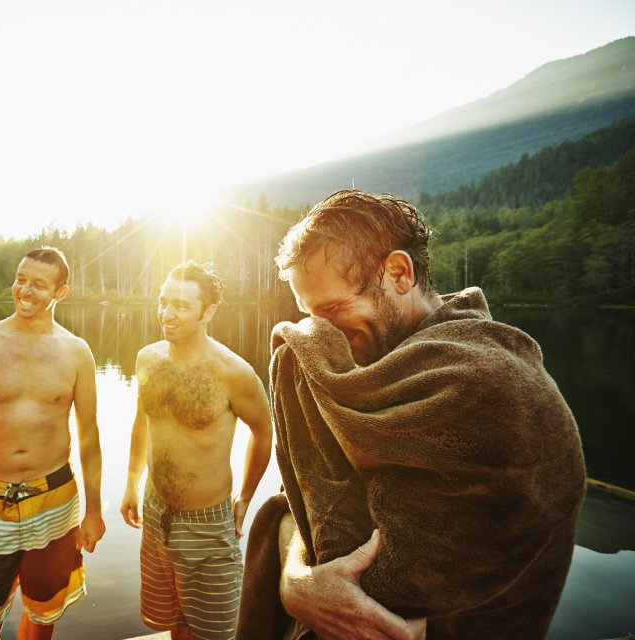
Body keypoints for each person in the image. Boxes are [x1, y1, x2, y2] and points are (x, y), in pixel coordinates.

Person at [235, 189, 586, 640]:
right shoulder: (378, 374)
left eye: (334, 309)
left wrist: (300, 574)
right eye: (310, 315)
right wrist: (296, 580)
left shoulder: (494, 390)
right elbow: (303, 510)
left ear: (399, 273)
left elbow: (365, 586)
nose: (319, 332)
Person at [0, 246, 105, 640]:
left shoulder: (77, 352)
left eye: (38, 285)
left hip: (57, 500)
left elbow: (90, 438)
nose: (25, 291)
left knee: (44, 614)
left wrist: (94, 511)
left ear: (60, 293)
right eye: (20, 279)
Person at [120, 260, 273, 640]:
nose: (167, 314)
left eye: (182, 306)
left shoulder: (233, 372)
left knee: (217, 630)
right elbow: (143, 421)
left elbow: (264, 432)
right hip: (156, 514)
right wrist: (130, 484)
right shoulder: (147, 358)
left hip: (207, 524)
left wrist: (245, 498)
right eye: (163, 302)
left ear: (209, 312)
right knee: (174, 620)